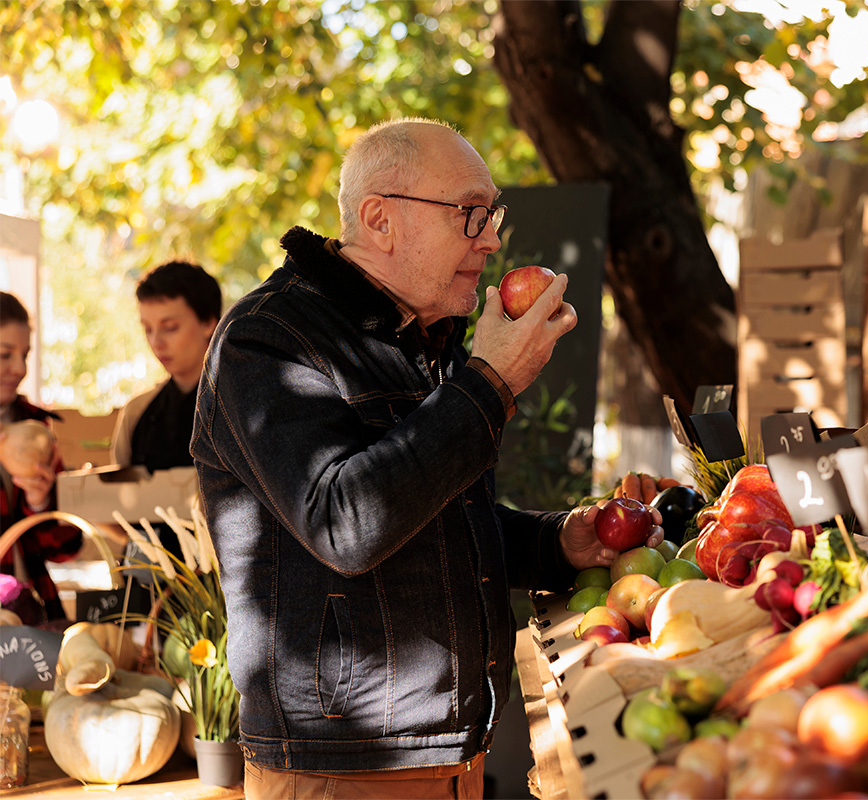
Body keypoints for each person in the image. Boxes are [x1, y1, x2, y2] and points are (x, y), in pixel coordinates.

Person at [191, 118, 663, 799]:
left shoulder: (421, 338)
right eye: (472, 214)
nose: (493, 239)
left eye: (491, 215)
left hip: (450, 752)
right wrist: (488, 384)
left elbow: (434, 523)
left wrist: (558, 541)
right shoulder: (267, 341)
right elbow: (345, 525)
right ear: (380, 219)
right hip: (344, 767)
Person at [0, 291, 81, 622]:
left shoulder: (38, 428)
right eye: (5, 355)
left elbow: (65, 548)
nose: (19, 368)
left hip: (33, 610)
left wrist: (39, 503)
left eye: (25, 355)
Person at [111, 260, 222, 471]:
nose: (156, 343)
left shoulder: (246, 405)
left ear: (208, 322)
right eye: (147, 329)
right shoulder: (136, 414)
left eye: (170, 328)